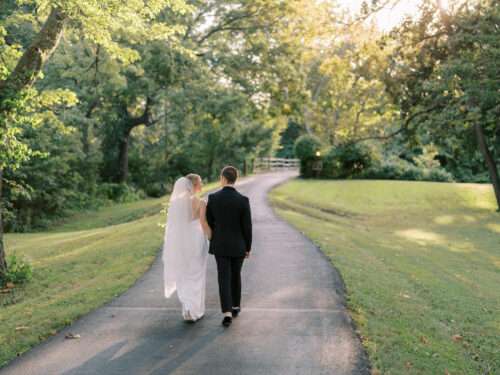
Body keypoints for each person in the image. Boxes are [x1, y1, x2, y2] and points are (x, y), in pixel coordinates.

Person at [206, 166, 252, 327]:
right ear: (235, 179)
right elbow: (247, 227)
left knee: (223, 277)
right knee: (236, 275)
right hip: (239, 245)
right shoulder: (243, 200)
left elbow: (209, 222)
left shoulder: (212, 198)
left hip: (220, 245)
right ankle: (235, 306)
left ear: (223, 178)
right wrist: (248, 247)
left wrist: (215, 237)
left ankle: (227, 313)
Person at [162, 174, 211, 322]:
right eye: (200, 182)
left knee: (184, 272)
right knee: (196, 273)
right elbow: (203, 223)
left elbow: (172, 226)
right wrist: (210, 236)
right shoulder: (200, 201)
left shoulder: (175, 202)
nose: (201, 185)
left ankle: (187, 308)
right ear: (194, 185)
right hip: (196, 239)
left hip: (181, 241)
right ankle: (194, 309)